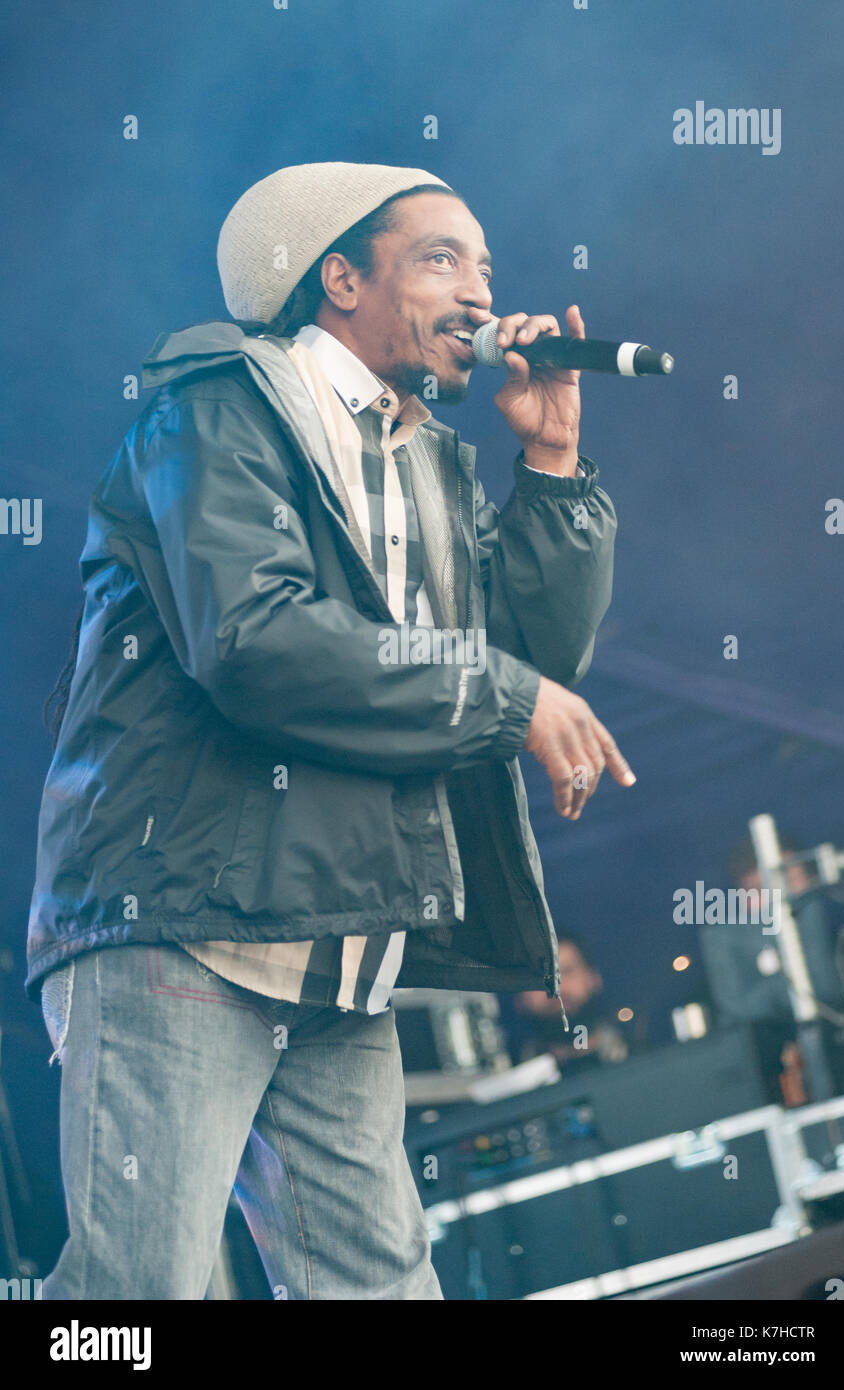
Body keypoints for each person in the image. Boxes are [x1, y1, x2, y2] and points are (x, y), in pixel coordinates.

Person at [29, 162, 634, 1300]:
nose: (477, 292)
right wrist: (508, 696)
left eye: (486, 267)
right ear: (339, 278)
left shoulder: (431, 466)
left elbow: (538, 655)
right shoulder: (216, 411)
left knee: (382, 1288)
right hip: (181, 924)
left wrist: (549, 461)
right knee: (137, 1291)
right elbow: (258, 642)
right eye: (441, 257)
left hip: (340, 949)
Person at [500, 934, 628, 1068]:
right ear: (519, 998)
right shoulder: (502, 1082)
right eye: (539, 978)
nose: (555, 987)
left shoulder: (642, 1058)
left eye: (566, 971)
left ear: (594, 979)